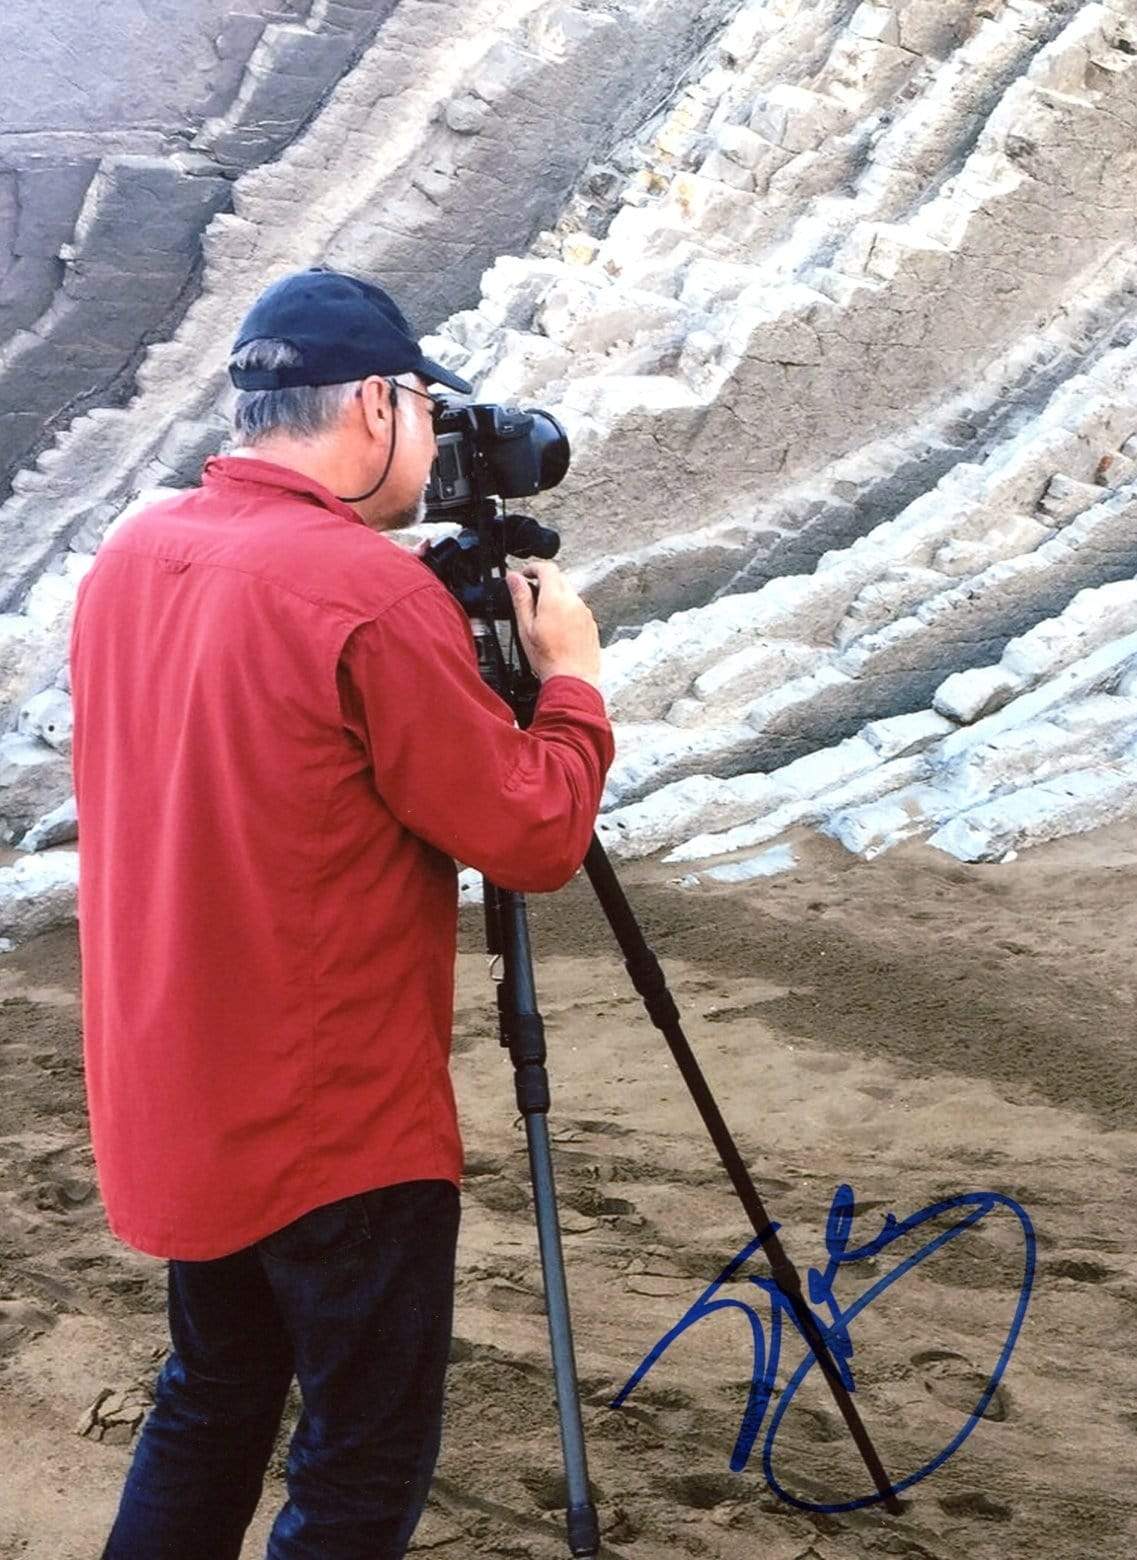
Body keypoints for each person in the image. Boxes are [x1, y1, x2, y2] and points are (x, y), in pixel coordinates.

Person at [68, 267, 615, 1559]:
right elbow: (530, 832)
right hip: (333, 1126)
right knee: (358, 1470)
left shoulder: (138, 553)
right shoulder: (365, 598)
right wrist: (571, 684)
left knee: (208, 1405)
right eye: (425, 408)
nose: (432, 441)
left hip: (180, 1091)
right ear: (375, 404)